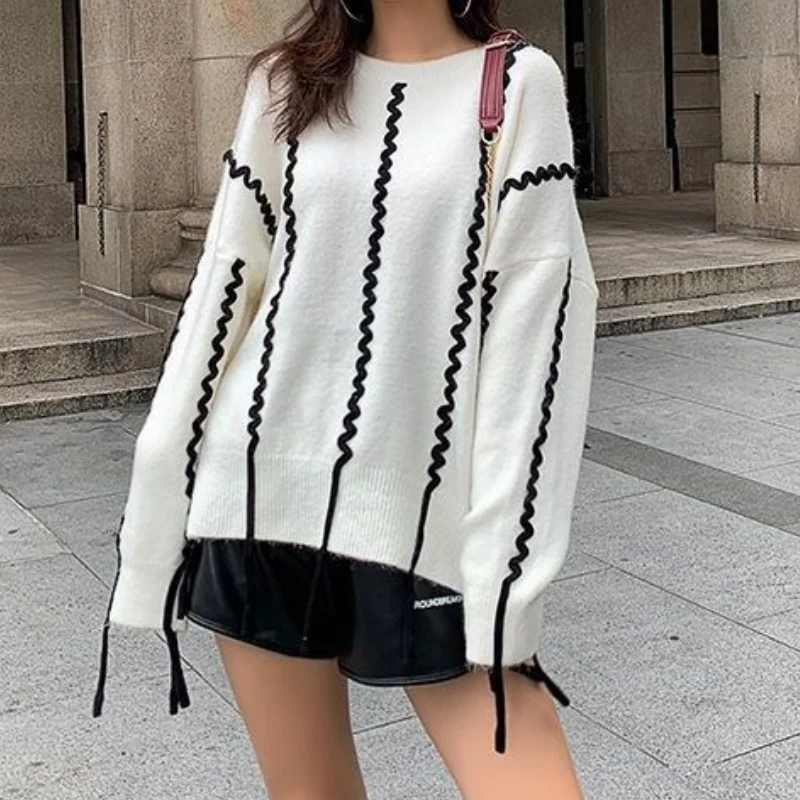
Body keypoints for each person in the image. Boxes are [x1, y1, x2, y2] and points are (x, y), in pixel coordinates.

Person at [92, 0, 598, 797]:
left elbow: (535, 342)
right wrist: (158, 503)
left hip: (423, 524)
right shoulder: (283, 83)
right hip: (254, 500)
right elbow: (226, 283)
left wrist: (505, 578)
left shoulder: (517, 85)